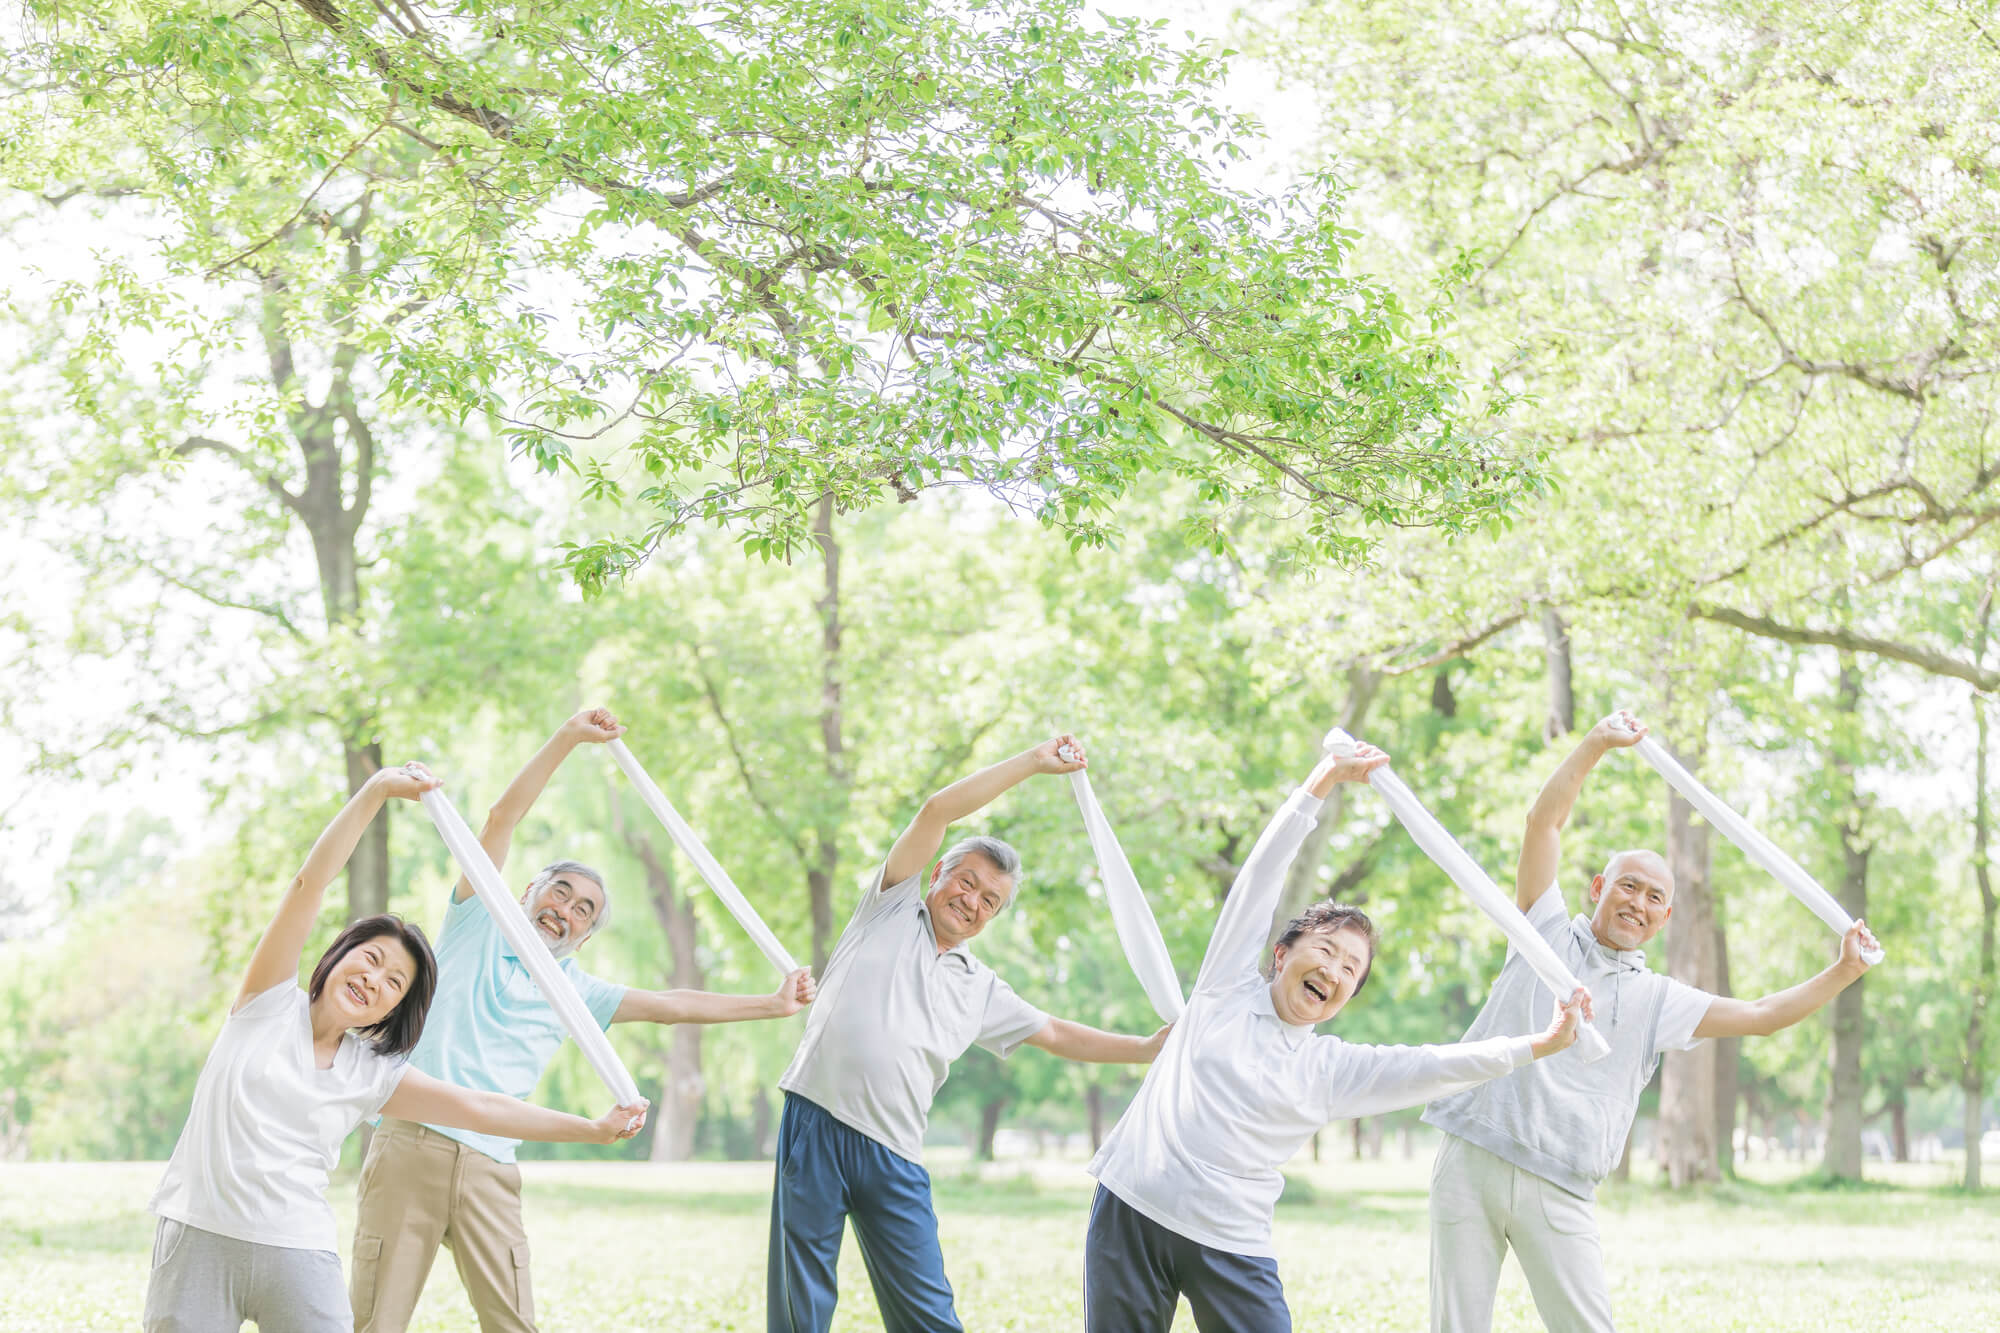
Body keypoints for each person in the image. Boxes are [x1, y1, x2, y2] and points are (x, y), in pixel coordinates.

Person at [1082, 739, 1590, 1333]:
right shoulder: (1221, 990)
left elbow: (1432, 1064)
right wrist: (1320, 781)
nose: (1334, 969)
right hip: (1131, 1211)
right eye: (1325, 950)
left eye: (1351, 968)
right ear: (1280, 954)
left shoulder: (1332, 1069)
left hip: (1230, 1240)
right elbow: (1261, 878)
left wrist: (1539, 1043)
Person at [351, 709, 815, 1333]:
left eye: (583, 909)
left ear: (586, 935)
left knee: (515, 1324)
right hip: (412, 1143)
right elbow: (500, 819)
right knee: (376, 1322)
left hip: (491, 1162)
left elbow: (672, 1004)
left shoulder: (576, 992)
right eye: (559, 891)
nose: (565, 908)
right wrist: (568, 738)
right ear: (526, 894)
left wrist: (771, 1003)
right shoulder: (477, 921)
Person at [145, 761, 647, 1333]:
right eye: (371, 958)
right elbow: (308, 883)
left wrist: (593, 1127)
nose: (374, 981)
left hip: (297, 1252)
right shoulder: (265, 1003)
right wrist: (376, 791)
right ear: (339, 953)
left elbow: (483, 1108)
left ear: (395, 1010)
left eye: (394, 984)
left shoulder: (372, 1073)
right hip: (197, 1238)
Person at [1423, 710, 1880, 1333]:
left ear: (1664, 919)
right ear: (1597, 888)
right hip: (1471, 1156)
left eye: (1654, 897)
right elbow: (1543, 822)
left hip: (1560, 1184)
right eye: (1628, 886)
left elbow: (1761, 1016)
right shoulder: (1542, 931)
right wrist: (1596, 745)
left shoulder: (1661, 1000)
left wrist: (1844, 971)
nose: (1638, 902)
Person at [767, 733, 1169, 1333]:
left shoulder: (980, 987)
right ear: (936, 875)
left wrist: (1142, 1050)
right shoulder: (891, 908)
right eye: (967, 882)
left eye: (991, 900)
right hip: (817, 1123)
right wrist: (1034, 763)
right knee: (801, 1304)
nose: (973, 901)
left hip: (894, 1154)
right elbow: (937, 810)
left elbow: (1055, 1032)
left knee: (929, 1315)